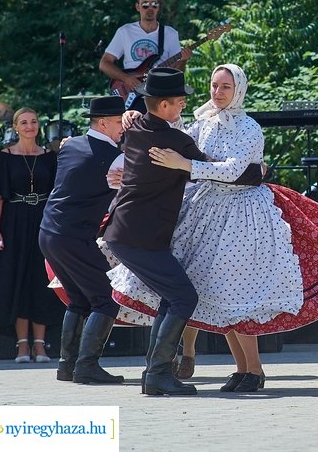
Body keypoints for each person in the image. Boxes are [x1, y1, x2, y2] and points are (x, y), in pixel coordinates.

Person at [110, 64, 318, 393]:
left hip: (243, 214)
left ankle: (252, 369)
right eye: (214, 85)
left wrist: (190, 165)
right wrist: (138, 120)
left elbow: (234, 169)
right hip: (208, 211)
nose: (218, 92)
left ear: (238, 89)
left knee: (239, 291)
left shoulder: (249, 127)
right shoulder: (204, 121)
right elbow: (184, 142)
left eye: (225, 86)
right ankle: (239, 368)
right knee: (220, 293)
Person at [103, 67, 212, 396]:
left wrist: (131, 110)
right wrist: (255, 170)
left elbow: (134, 111)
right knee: (184, 296)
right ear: (164, 105)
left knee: (172, 296)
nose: (182, 107)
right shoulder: (175, 140)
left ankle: (155, 373)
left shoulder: (136, 127)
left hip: (128, 232)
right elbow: (213, 168)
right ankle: (159, 372)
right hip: (139, 237)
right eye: (179, 102)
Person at [38, 96, 127, 384]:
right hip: (74, 236)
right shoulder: (115, 157)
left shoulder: (69, 145)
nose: (122, 129)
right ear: (102, 123)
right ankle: (87, 366)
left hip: (49, 232)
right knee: (106, 299)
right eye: (117, 123)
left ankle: (67, 366)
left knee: (78, 299)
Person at [0, 107, 61, 364]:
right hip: (14, 221)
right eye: (24, 122)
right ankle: (22, 345)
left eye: (33, 122)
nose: (29, 126)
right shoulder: (5, 157)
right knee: (17, 279)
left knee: (41, 280)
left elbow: (57, 195)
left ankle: (40, 345)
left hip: (42, 220)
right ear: (16, 127)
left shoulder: (49, 157)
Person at [99, 0, 190, 112]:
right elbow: (104, 63)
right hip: (131, 93)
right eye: (145, 5)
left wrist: (183, 60)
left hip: (158, 93)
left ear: (158, 7)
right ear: (138, 7)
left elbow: (177, 73)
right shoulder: (125, 31)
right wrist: (126, 79)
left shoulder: (170, 34)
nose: (150, 8)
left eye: (154, 4)